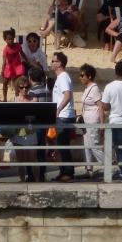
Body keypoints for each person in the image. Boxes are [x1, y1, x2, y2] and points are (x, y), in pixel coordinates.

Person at [50, 52, 77, 182]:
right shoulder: (60, 78)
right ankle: (63, 172)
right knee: (61, 146)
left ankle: (68, 172)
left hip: (64, 116)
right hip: (62, 116)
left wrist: (58, 109)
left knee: (63, 145)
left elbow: (67, 95)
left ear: (60, 63)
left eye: (53, 61)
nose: (51, 63)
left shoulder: (63, 77)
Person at [79, 63, 103, 177]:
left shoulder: (94, 88)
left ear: (89, 76)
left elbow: (100, 106)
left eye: (82, 75)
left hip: (93, 120)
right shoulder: (87, 88)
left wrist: (102, 124)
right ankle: (89, 170)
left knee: (94, 145)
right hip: (86, 120)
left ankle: (109, 166)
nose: (80, 77)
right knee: (87, 145)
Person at [0, 27, 26, 101]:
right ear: (5, 40)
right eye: (8, 39)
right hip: (9, 67)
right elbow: (4, 62)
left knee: (16, 83)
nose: (10, 41)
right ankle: (5, 98)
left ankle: (17, 97)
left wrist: (27, 60)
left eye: (12, 39)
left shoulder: (17, 45)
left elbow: (22, 53)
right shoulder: (6, 50)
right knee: (5, 83)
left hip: (17, 67)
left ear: (14, 38)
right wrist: (2, 70)